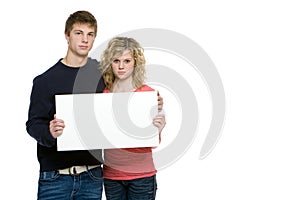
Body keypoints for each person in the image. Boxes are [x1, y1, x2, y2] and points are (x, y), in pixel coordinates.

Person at [99, 36, 166, 200]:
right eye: (116, 61)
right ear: (110, 63)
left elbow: (152, 141)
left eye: (127, 61)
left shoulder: (148, 94)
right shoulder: (104, 95)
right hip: (111, 176)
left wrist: (159, 127)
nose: (121, 66)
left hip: (141, 176)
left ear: (135, 63)